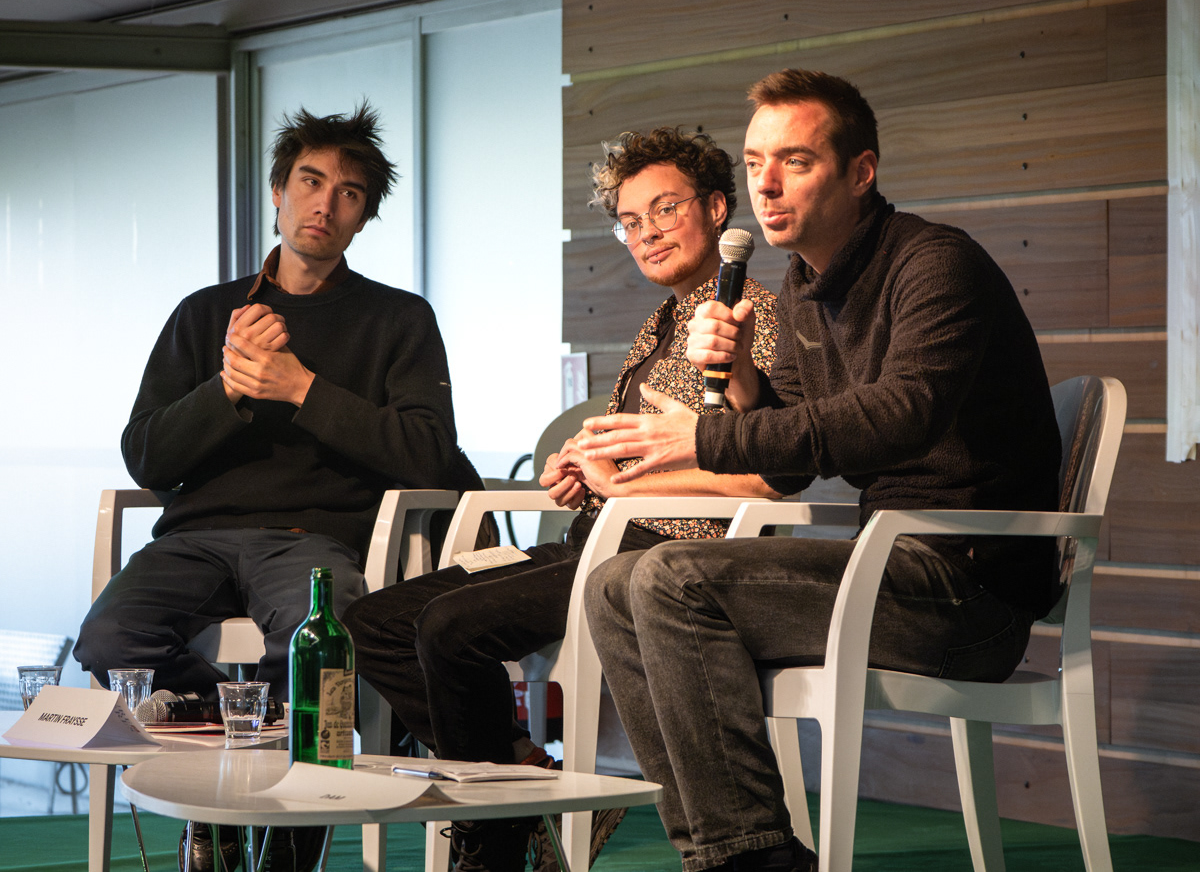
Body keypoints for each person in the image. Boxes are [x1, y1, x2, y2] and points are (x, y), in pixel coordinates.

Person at [579, 70, 1063, 872]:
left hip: (970, 590)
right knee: (611, 586)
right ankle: (725, 853)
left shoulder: (936, 264)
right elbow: (792, 453)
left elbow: (901, 415)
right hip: (893, 567)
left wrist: (701, 441)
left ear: (860, 172)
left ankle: (753, 857)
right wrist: (738, 380)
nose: (765, 183)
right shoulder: (803, 289)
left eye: (795, 162)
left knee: (670, 579)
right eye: (755, 159)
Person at [342, 127, 780, 872]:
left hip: (668, 557)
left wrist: (628, 478)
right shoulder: (661, 323)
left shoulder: (751, 316)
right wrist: (587, 468)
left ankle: (498, 838)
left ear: (714, 208)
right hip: (595, 538)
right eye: (630, 222)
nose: (646, 234)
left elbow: (763, 469)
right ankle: (525, 777)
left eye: (664, 209)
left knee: (448, 628)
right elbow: (647, 456)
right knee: (373, 620)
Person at [74, 103, 483, 872]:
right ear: (277, 191)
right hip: (195, 537)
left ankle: (286, 857)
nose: (326, 203)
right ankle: (216, 803)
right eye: (310, 180)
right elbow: (146, 456)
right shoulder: (205, 314)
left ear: (364, 217)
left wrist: (302, 389)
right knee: (107, 638)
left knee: (315, 648)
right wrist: (227, 389)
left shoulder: (398, 320)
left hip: (314, 540)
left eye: (351, 192)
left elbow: (429, 455)